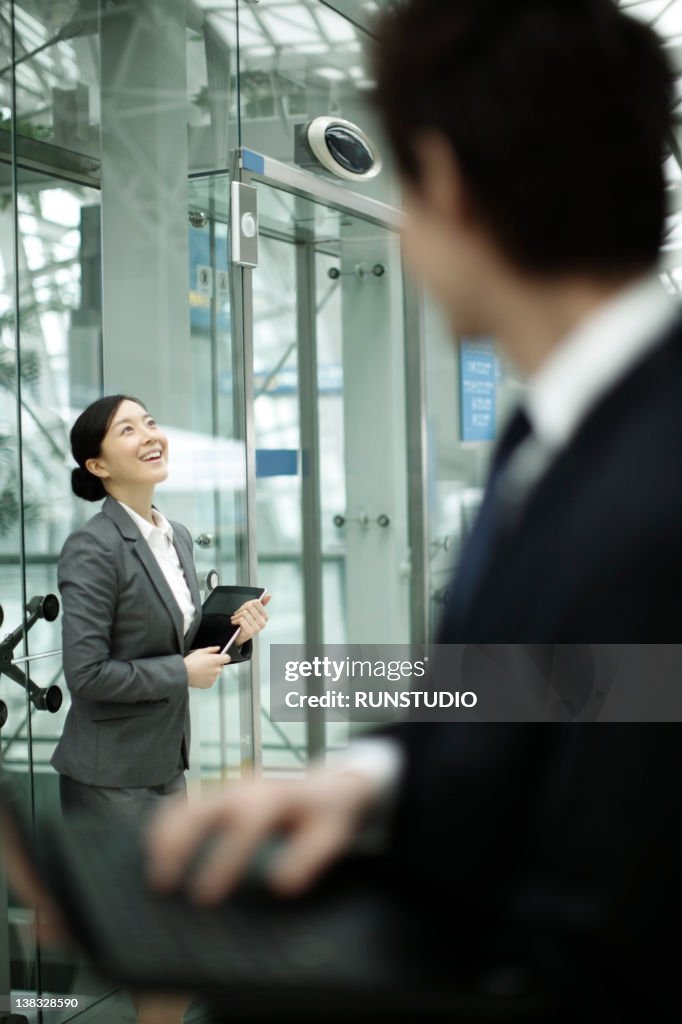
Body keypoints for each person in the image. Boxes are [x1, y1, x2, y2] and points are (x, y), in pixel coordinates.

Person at [146, 1, 681, 1020]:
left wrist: (257, 979)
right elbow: (593, 687)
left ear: (442, 183)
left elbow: (609, 938)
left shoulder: (647, 488)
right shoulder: (567, 435)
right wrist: (369, 777)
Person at [52, 394, 270, 821]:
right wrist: (182, 673)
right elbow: (86, 674)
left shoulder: (177, 537)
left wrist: (233, 635)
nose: (150, 435)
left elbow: (172, 640)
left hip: (167, 765)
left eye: (149, 422)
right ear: (98, 466)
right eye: (127, 430)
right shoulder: (92, 547)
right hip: (109, 777)